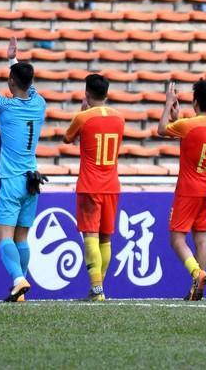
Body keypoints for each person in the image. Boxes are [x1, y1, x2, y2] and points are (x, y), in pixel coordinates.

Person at [0, 34, 46, 302]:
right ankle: (20, 289)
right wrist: (13, 59)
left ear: (11, 82)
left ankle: (18, 279)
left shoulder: (5, 106)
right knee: (22, 238)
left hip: (10, 180)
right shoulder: (39, 103)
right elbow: (28, 86)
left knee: (4, 236)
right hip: (32, 180)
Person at [158, 80, 206, 301]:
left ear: (195, 102)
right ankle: (198, 289)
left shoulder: (188, 125)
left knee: (177, 239)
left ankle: (197, 273)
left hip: (188, 188)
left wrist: (168, 104)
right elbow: (193, 139)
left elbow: (161, 129)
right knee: (201, 238)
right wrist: (178, 119)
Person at [64, 74, 125, 301]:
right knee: (105, 238)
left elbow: (67, 139)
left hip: (90, 185)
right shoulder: (119, 118)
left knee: (90, 235)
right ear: (106, 94)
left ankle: (97, 290)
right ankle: (98, 287)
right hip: (112, 185)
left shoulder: (83, 117)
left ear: (87, 94)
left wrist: (82, 112)